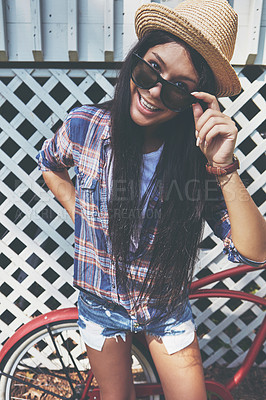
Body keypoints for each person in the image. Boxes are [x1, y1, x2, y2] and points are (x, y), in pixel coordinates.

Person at [37, 0, 266, 399]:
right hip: (100, 306)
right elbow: (49, 163)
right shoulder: (84, 127)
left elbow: (254, 254)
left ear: (195, 99)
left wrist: (225, 168)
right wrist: (80, 213)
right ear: (135, 60)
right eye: (150, 69)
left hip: (165, 311)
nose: (155, 92)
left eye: (178, 88)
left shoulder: (198, 161)